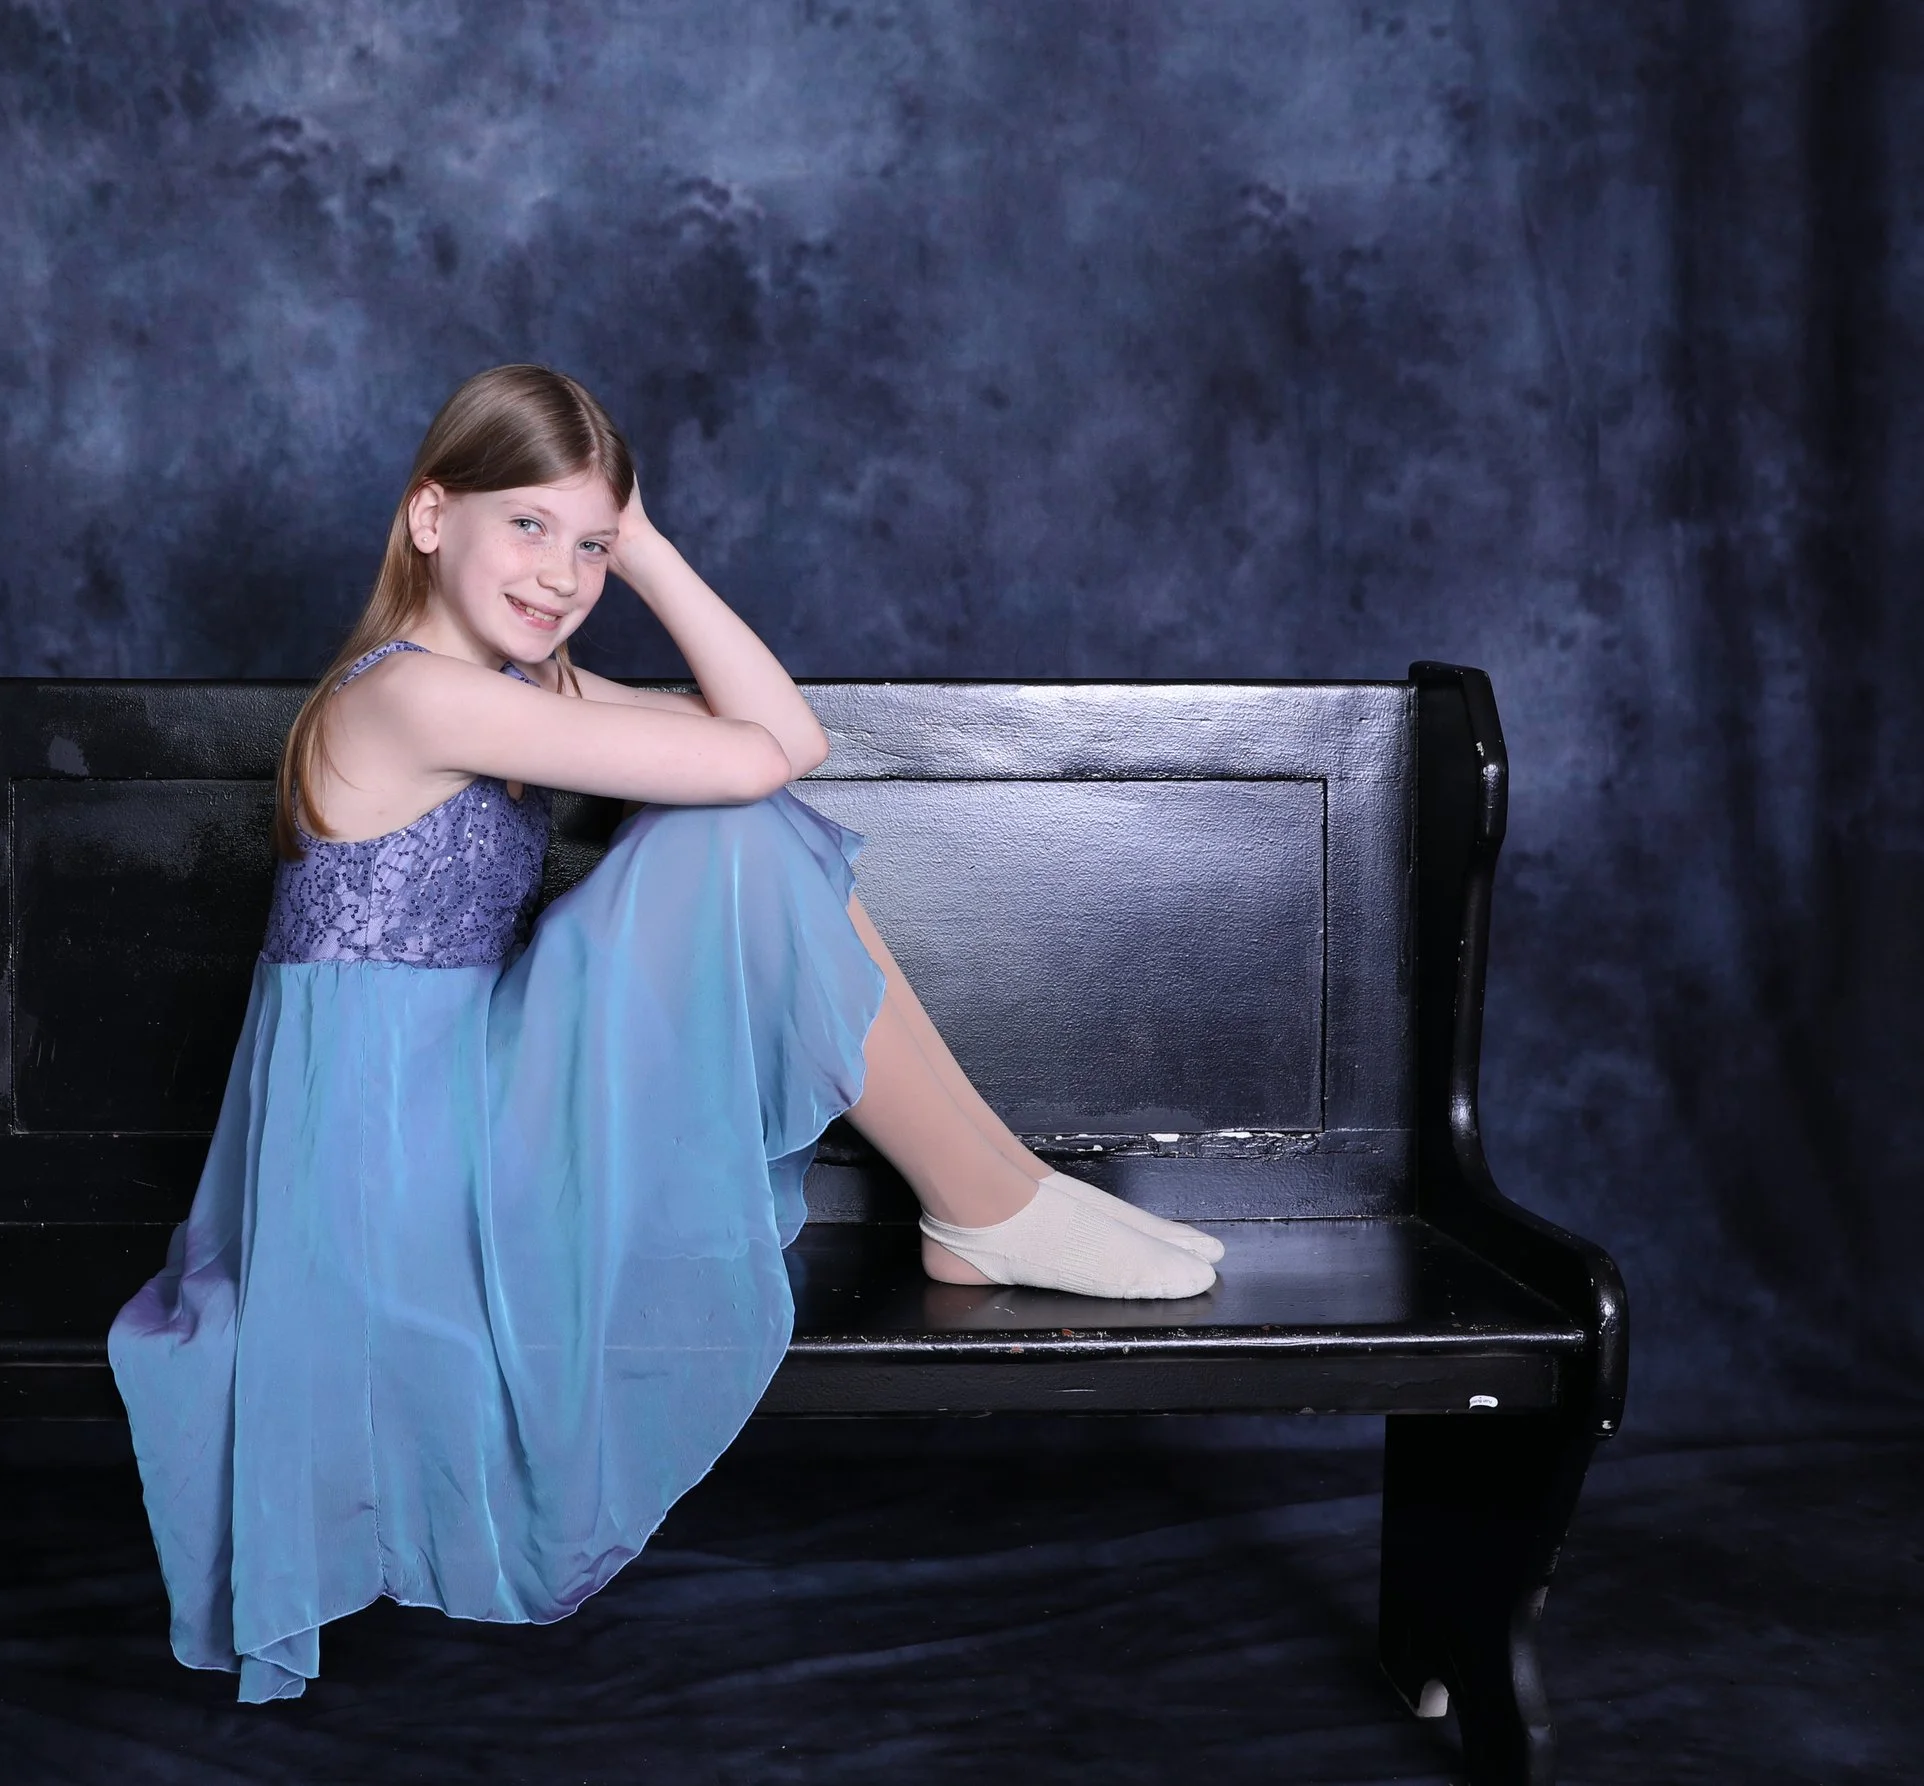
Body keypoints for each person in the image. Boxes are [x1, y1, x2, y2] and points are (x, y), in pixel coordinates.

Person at [108, 364, 1222, 1703]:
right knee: (743, 835)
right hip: (390, 1176)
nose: (560, 572)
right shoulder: (405, 697)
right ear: (427, 516)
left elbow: (784, 730)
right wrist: (626, 546)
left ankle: (989, 1193)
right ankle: (988, 1196)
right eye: (527, 525)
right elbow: (758, 768)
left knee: (754, 826)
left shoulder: (521, 689)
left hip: (470, 1100)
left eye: (589, 546)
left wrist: (644, 546)